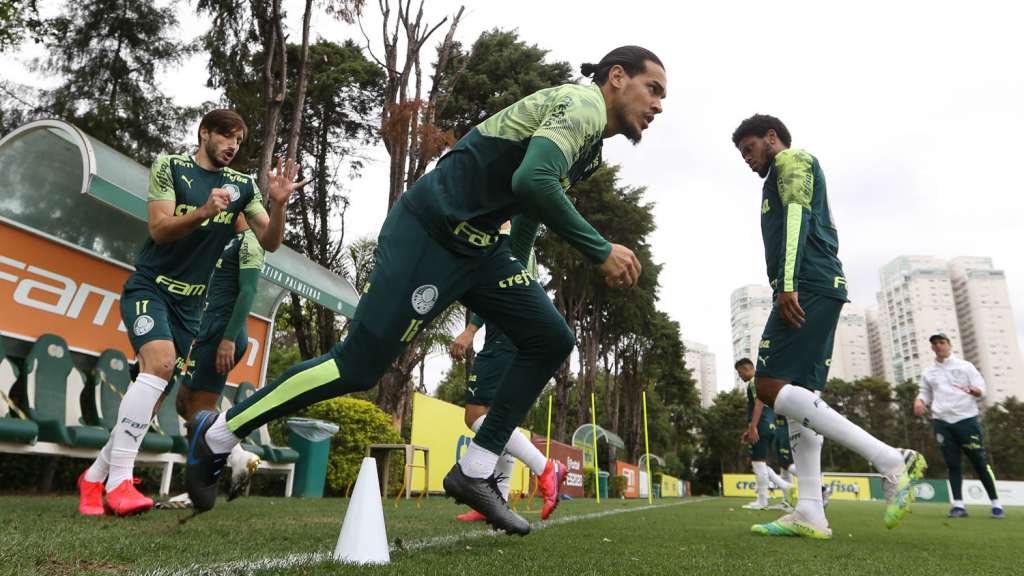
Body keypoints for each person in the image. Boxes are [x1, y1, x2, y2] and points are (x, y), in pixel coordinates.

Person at [185, 46, 665, 536]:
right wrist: (599, 248)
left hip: (481, 251)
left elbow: (528, 207)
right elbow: (534, 178)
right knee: (357, 367)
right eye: (654, 90)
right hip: (430, 231)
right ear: (618, 77)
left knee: (550, 336)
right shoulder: (581, 104)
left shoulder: (591, 151)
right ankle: (219, 435)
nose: (659, 106)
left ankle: (476, 472)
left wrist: (517, 285)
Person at [76, 109, 304, 516]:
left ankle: (93, 478)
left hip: (190, 306)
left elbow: (268, 242)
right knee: (160, 364)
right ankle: (120, 483)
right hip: (151, 287)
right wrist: (202, 211)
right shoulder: (171, 167)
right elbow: (159, 230)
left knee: (150, 395)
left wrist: (279, 204)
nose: (233, 145)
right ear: (205, 134)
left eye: (239, 139)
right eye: (226, 136)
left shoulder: (242, 185)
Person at [732, 114, 926, 539]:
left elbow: (798, 216)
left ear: (771, 137)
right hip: (818, 283)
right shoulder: (776, 177)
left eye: (749, 149)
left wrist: (786, 284)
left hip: (808, 284)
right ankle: (809, 511)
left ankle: (892, 459)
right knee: (800, 399)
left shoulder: (792, 160)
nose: (747, 159)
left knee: (767, 386)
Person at [449, 222, 566, 522]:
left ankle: (546, 468)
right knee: (497, 415)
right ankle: (496, 498)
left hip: (505, 331)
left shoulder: (506, 228)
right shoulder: (513, 231)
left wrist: (470, 330)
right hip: (513, 328)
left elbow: (499, 283)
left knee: (476, 416)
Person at [176, 219, 266, 501]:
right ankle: (237, 457)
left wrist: (227, 339)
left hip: (223, 334)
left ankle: (199, 487)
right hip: (210, 330)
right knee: (185, 404)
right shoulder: (225, 240)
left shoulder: (250, 241)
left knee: (199, 410)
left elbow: (248, 291)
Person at [915, 333, 1003, 518]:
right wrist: (920, 401)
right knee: (952, 464)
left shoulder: (965, 366)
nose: (938, 346)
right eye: (935, 344)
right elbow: (925, 393)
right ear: (932, 348)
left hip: (966, 420)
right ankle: (958, 505)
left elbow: (982, 390)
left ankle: (996, 504)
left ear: (949, 344)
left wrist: (974, 390)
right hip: (942, 422)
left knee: (979, 462)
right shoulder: (928, 372)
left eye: (942, 342)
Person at [734, 358, 794, 511]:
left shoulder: (755, 382)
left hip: (762, 424)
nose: (740, 376)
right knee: (760, 462)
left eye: (740, 373)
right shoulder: (761, 382)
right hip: (769, 425)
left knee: (758, 462)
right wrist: (750, 429)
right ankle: (785, 487)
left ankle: (762, 501)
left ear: (748, 368)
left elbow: (759, 403)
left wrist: (753, 426)